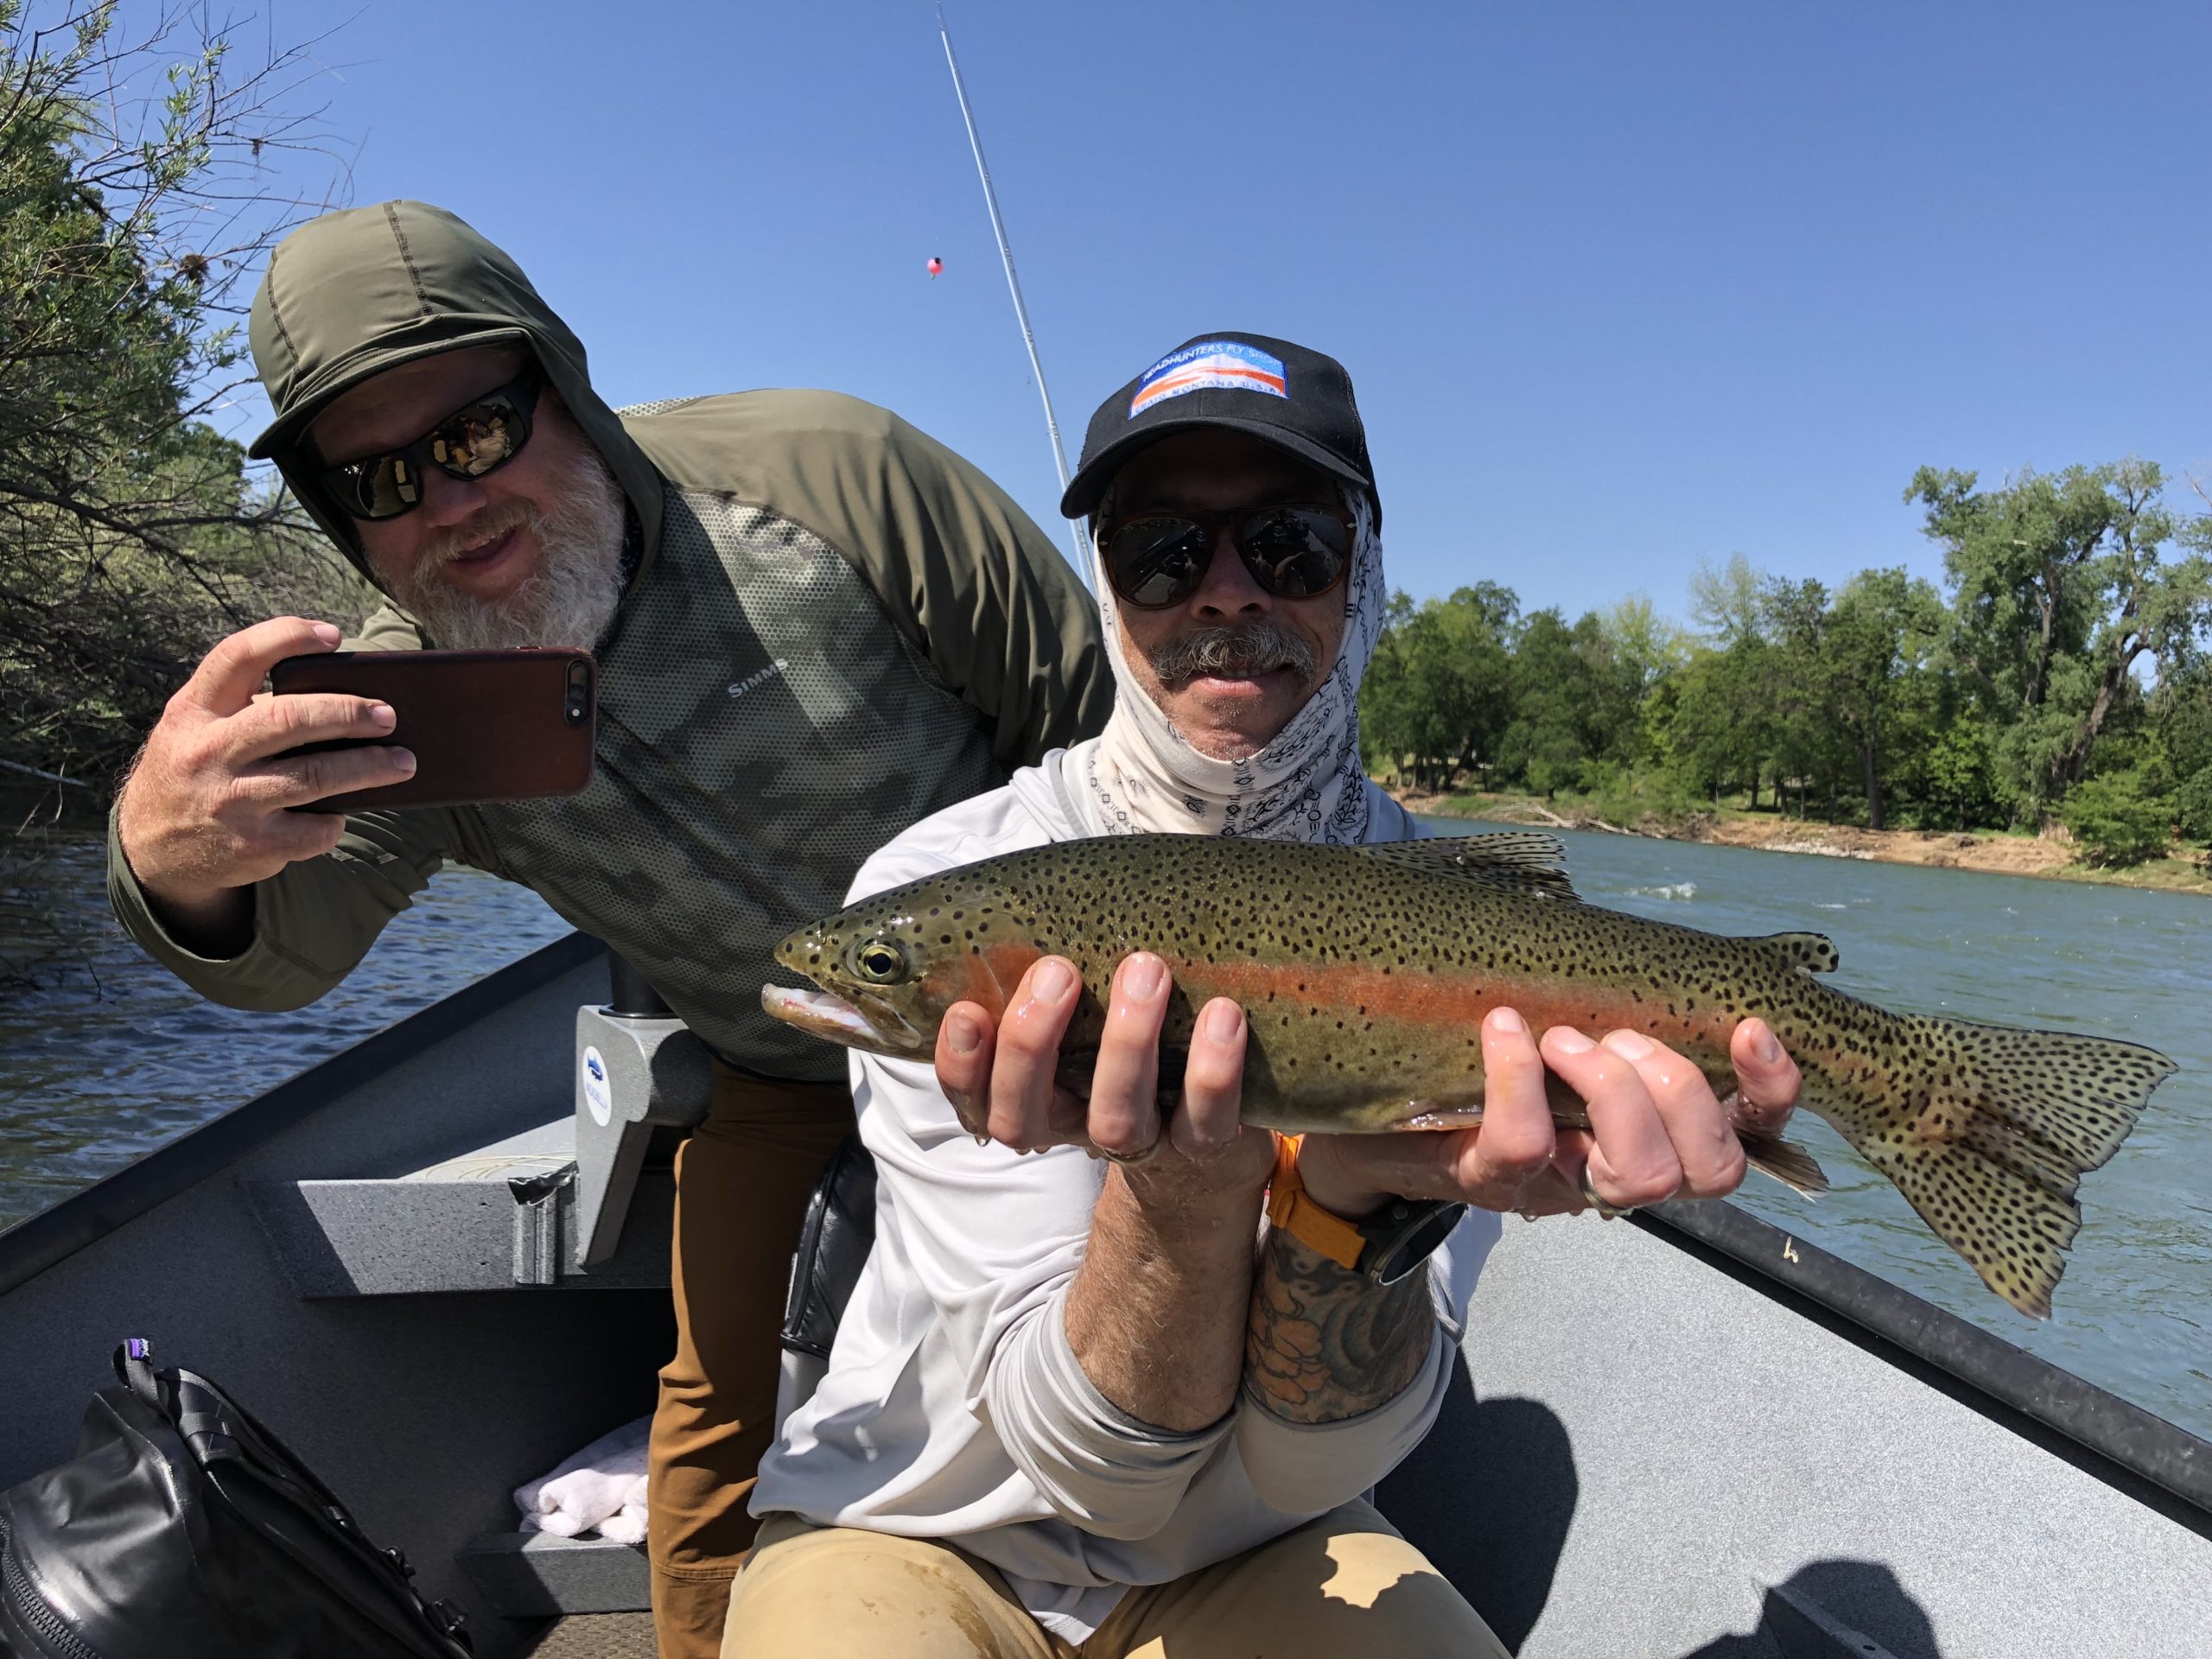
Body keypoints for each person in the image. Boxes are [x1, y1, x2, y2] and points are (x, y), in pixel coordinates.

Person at [105, 200, 1110, 1658]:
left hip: (1027, 1031)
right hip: (770, 1065)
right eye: (380, 480)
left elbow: (1096, 742)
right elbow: (287, 949)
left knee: (1133, 1344)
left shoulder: (835, 479)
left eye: (473, 434)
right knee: (709, 1430)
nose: (447, 505)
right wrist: (173, 859)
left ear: (557, 385)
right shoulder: (404, 711)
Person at [728, 333, 1804, 1656]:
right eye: (1161, 550)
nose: (1225, 594)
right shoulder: (954, 878)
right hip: (914, 1525)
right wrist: (1187, 1191)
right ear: (1109, 590)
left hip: (1268, 1543)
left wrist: (1360, 1190)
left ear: (1365, 573)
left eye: (1290, 544)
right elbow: (1084, 1471)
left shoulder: (1450, 910)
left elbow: (1309, 1475)